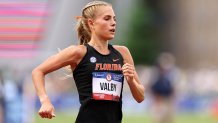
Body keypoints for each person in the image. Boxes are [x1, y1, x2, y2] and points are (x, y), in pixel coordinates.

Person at [32, 1, 145, 123]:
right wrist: (45, 101)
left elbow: (140, 97)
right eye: (107, 19)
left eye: (114, 19)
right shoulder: (78, 52)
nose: (113, 23)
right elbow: (38, 71)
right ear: (91, 23)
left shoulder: (122, 53)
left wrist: (131, 81)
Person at [149, 52, 179, 123]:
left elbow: (174, 87)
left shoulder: (172, 73)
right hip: (158, 99)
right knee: (158, 119)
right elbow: (152, 87)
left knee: (169, 118)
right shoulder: (155, 73)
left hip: (168, 99)